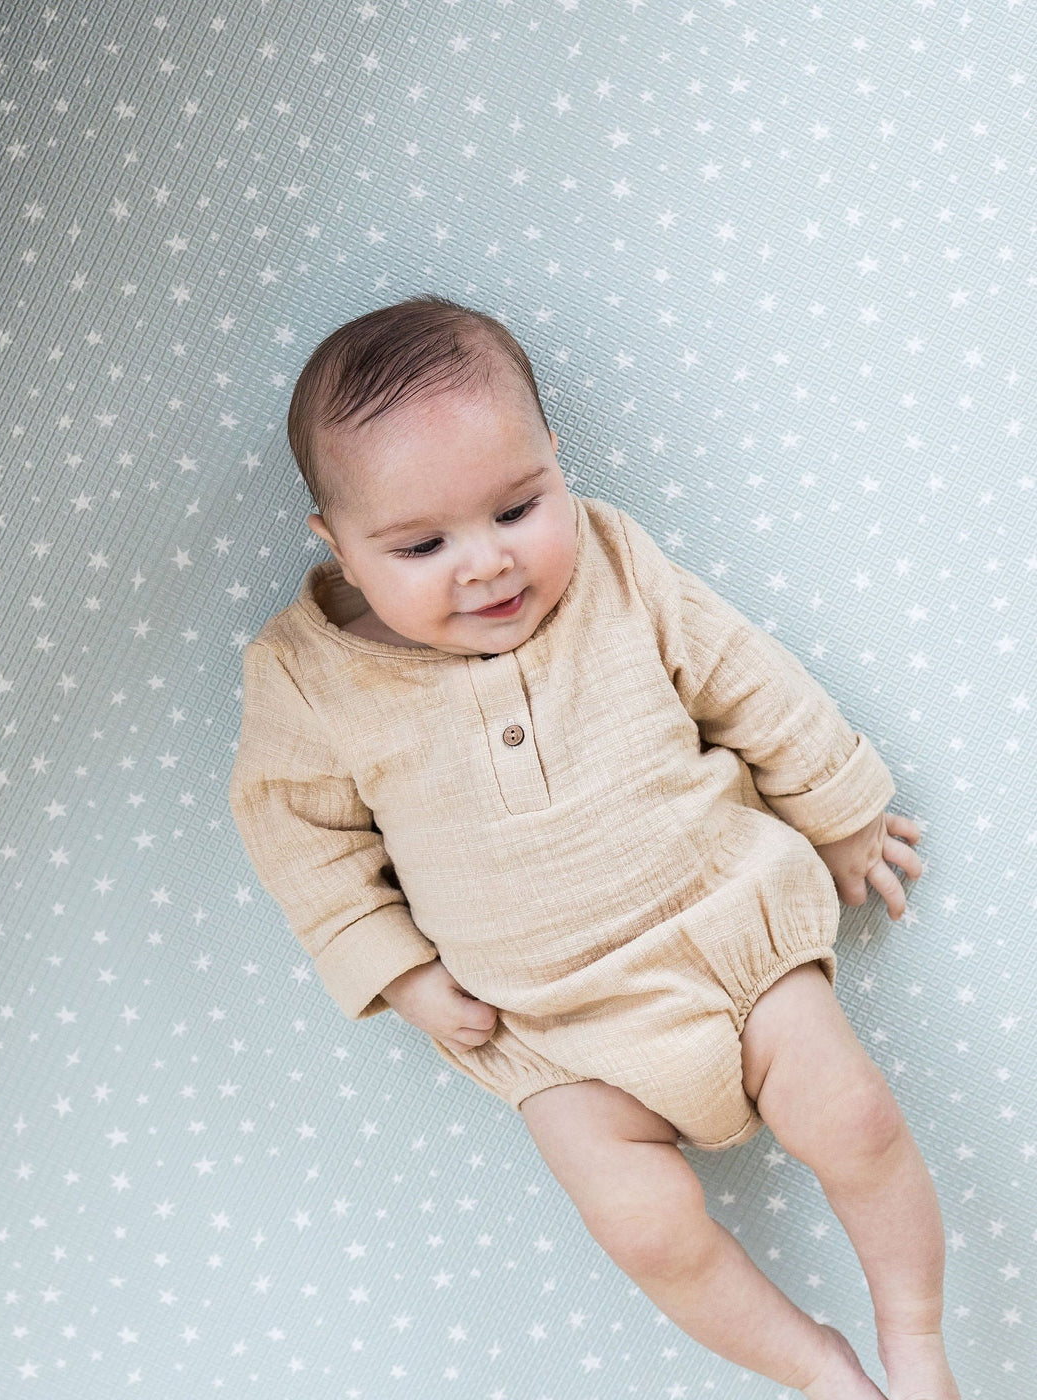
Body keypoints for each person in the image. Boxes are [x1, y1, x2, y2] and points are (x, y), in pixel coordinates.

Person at [228, 294, 958, 1399]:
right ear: (335, 542)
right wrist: (403, 973)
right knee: (643, 1229)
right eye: (420, 544)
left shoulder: (614, 564)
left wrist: (839, 803)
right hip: (555, 1027)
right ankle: (818, 1370)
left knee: (852, 1113)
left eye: (517, 507)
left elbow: (736, 669)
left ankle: (914, 1340)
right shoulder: (309, 677)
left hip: (727, 935)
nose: (483, 565)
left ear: (554, 462)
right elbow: (297, 837)